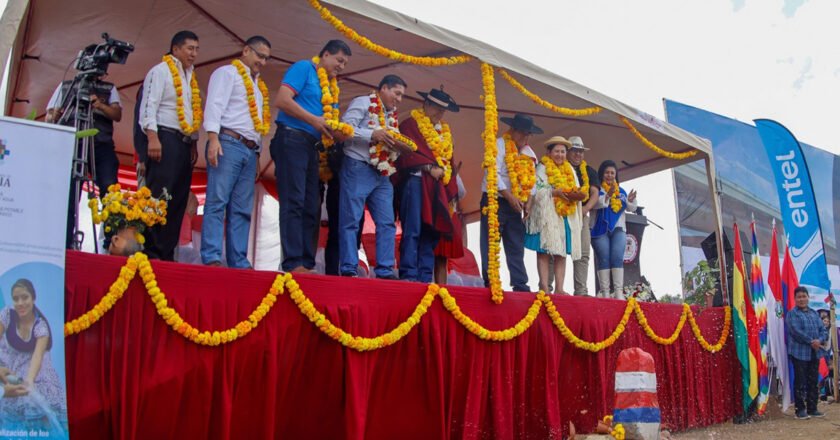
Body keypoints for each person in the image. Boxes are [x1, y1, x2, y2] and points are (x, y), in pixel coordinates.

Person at [271, 39, 352, 274]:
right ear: (325, 54)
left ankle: (307, 262)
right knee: (294, 201)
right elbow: (282, 100)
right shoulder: (304, 68)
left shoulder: (330, 84)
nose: (341, 66)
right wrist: (314, 120)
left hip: (312, 145)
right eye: (339, 60)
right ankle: (292, 262)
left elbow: (324, 118)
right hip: (291, 139)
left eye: (345, 63)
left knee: (311, 205)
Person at [201, 36, 272, 269]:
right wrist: (213, 139)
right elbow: (214, 105)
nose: (262, 61)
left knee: (242, 209)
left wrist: (258, 153)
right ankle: (212, 256)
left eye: (266, 58)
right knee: (217, 201)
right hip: (228, 142)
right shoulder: (227, 73)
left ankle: (238, 261)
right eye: (259, 55)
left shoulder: (258, 88)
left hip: (250, 150)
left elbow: (256, 123)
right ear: (245, 51)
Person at [338, 74, 411, 278]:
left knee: (387, 223)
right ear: (384, 88)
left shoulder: (391, 115)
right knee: (351, 220)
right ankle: (349, 268)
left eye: (402, 96)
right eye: (397, 93)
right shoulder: (362, 102)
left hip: (382, 173)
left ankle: (385, 270)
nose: (399, 99)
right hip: (357, 166)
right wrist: (372, 134)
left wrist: (398, 145)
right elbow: (344, 128)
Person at [138, 30, 201, 261]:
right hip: (164, 138)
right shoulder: (160, 70)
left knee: (177, 199)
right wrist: (152, 139)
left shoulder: (190, 77)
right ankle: (151, 252)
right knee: (159, 196)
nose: (194, 54)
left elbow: (191, 113)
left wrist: (193, 141)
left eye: (196, 49)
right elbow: (148, 108)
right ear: (175, 49)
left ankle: (166, 254)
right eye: (189, 48)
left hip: (184, 144)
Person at [46, 71, 122, 249]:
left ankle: (112, 240)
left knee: (110, 189)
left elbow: (117, 114)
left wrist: (100, 105)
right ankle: (65, 241)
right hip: (73, 145)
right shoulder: (66, 86)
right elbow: (49, 116)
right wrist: (54, 116)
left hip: (101, 145)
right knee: (70, 193)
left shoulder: (108, 88)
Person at [394, 87, 460, 283]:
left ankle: (424, 277)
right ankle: (408, 274)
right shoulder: (409, 124)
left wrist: (446, 176)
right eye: (437, 108)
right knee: (413, 228)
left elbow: (448, 160)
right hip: (415, 182)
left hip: (437, 187)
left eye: (443, 111)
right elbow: (406, 152)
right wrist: (428, 167)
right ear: (426, 104)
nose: (440, 114)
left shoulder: (445, 133)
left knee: (431, 231)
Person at [480, 113, 543, 292]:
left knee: (516, 243)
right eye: (522, 133)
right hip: (495, 199)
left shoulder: (529, 153)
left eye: (528, 134)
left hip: (517, 203)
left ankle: (520, 283)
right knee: (491, 242)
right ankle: (491, 281)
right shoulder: (498, 145)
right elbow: (493, 175)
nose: (525, 137)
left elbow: (532, 182)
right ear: (512, 130)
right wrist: (509, 197)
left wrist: (528, 202)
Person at [0, 280, 67, 428]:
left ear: (33, 298)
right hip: (12, 364)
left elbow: (37, 357)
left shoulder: (41, 326)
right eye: (16, 299)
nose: (20, 303)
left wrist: (29, 381)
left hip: (37, 368)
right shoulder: (7, 314)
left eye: (24, 297)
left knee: (39, 407)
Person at [525, 137, 586, 294]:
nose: (560, 155)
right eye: (557, 151)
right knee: (543, 250)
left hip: (564, 215)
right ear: (549, 152)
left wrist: (576, 194)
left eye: (563, 152)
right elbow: (535, 191)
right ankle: (544, 286)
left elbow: (577, 189)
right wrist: (554, 192)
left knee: (562, 252)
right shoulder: (541, 168)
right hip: (546, 216)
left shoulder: (570, 169)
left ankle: (559, 288)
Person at [590, 160, 637, 298]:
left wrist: (631, 200)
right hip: (599, 230)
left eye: (612, 173)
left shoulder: (621, 191)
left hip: (618, 229)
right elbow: (595, 204)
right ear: (602, 174)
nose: (610, 176)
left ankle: (618, 292)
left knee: (617, 257)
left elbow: (631, 208)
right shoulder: (597, 189)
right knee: (604, 258)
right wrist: (608, 195)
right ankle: (605, 292)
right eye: (607, 173)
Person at [786, 286, 828, 419]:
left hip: (814, 353)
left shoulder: (814, 313)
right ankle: (800, 410)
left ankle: (812, 408)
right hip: (799, 353)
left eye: (804, 296)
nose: (802, 299)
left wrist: (819, 340)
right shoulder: (792, 314)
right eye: (799, 297)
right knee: (799, 381)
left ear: (808, 298)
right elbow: (795, 331)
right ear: (795, 299)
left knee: (812, 381)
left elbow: (823, 330)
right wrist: (812, 341)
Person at [566, 136, 600, 296]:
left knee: (583, 253)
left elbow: (595, 193)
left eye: (580, 151)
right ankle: (551, 289)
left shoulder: (589, 171)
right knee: (555, 251)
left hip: (581, 214)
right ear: (567, 151)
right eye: (574, 151)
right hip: (562, 213)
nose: (578, 154)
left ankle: (581, 290)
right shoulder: (559, 167)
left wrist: (586, 208)